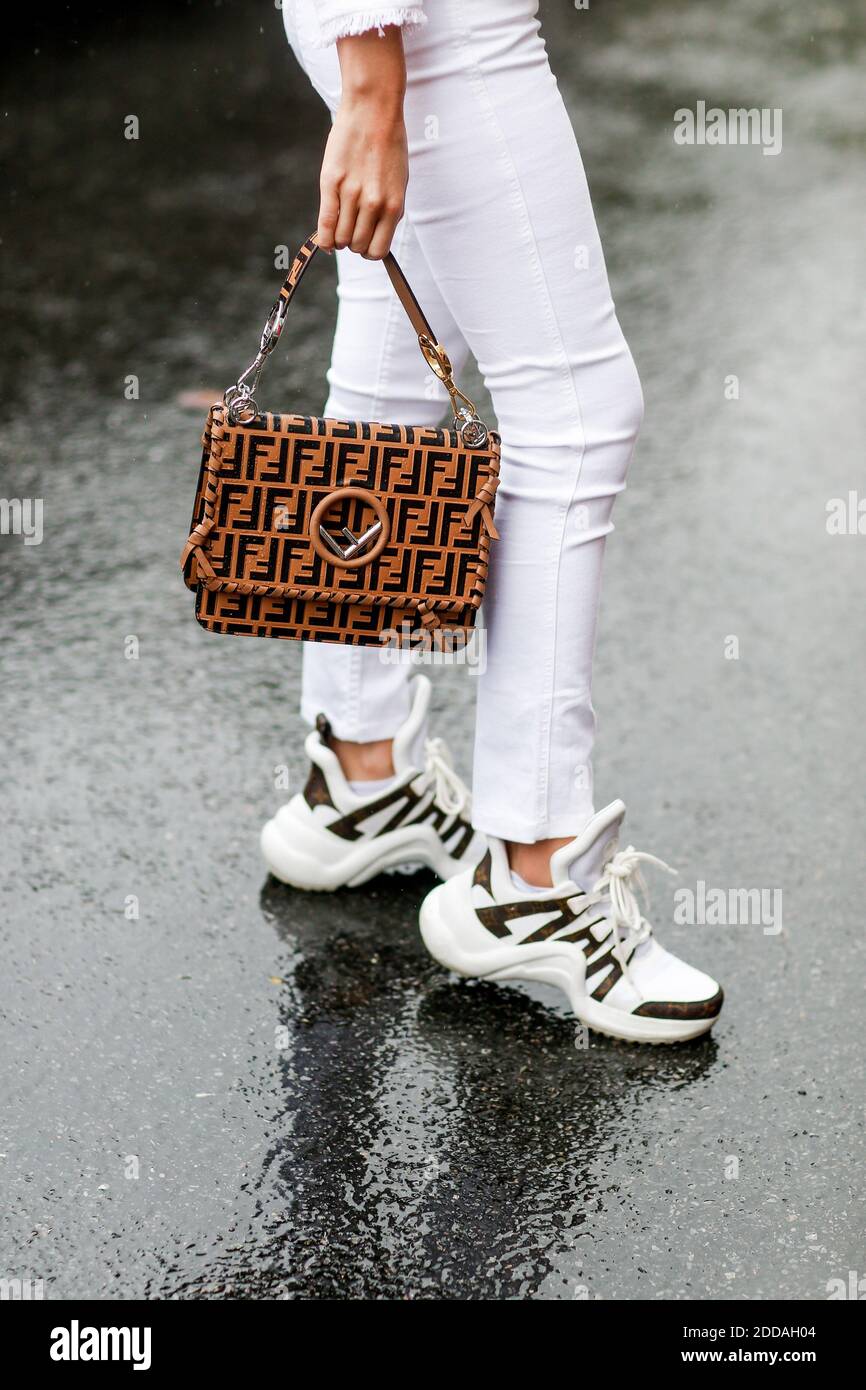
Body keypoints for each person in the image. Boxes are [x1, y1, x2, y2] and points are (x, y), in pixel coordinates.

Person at [261, 0, 724, 1043]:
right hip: (433, 33)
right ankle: (534, 877)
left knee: (390, 391)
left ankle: (359, 775)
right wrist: (374, 87)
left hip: (393, 31)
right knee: (575, 414)